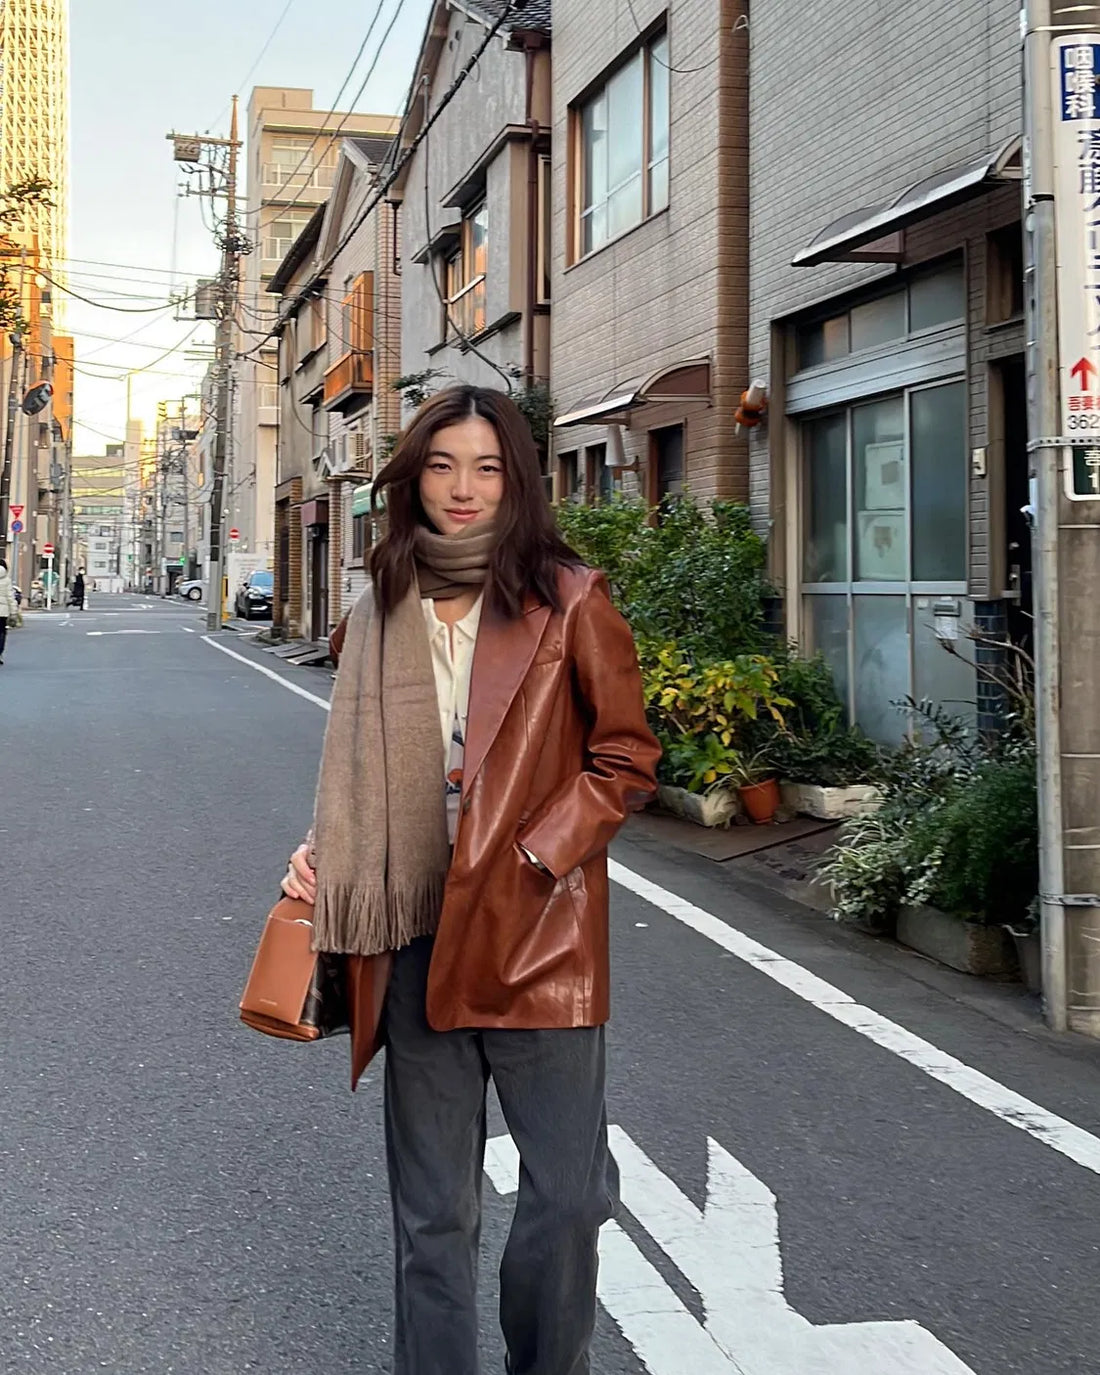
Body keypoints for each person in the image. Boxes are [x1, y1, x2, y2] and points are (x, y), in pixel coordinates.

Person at [281, 384, 661, 1375]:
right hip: (413, 936)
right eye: (443, 466)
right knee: (432, 1214)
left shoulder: (569, 599)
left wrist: (537, 853)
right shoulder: (378, 606)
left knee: (568, 1198)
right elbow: (361, 771)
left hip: (537, 940)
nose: (463, 488)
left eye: (486, 468)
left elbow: (625, 757)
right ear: (414, 479)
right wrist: (324, 847)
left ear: (516, 480)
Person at [0, 558, 16, 664]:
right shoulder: (6, 580)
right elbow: (10, 596)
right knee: (1, 632)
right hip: (2, 611)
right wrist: (13, 612)